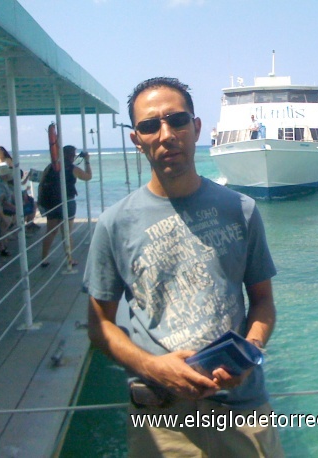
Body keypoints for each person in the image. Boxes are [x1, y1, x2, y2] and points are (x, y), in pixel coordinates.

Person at [83, 77, 283, 457]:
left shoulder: (241, 210)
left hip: (241, 412)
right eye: (149, 125)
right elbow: (100, 325)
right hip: (161, 424)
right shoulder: (114, 224)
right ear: (136, 139)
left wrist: (250, 352)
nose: (165, 134)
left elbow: (263, 303)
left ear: (196, 128)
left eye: (176, 120)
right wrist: (154, 367)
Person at [39, 145, 92, 267]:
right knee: (66, 233)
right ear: (71, 156)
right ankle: (69, 259)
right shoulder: (72, 168)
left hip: (51, 202)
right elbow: (88, 177)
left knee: (51, 231)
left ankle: (44, 258)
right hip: (67, 202)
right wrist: (87, 161)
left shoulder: (51, 167)